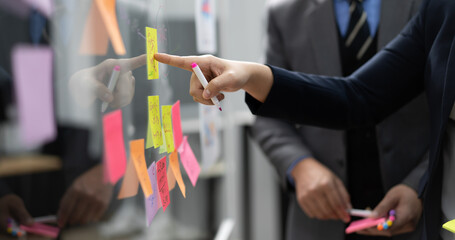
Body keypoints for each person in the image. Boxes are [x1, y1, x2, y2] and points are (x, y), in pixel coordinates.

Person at [154, 0, 455, 238]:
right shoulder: (440, 9)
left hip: (421, 212)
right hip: (326, 221)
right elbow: (357, 97)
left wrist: (419, 184)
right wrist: (249, 75)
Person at [251, 0, 428, 239]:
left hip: (417, 218)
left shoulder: (427, 6)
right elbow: (268, 116)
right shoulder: (284, 14)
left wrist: (420, 183)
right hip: (320, 222)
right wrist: (300, 165)